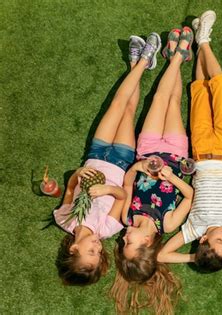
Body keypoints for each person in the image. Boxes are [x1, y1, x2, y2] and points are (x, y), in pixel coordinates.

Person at [157, 10, 222, 272]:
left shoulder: (194, 229)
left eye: (219, 241)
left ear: (203, 240)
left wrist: (195, 257)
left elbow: (162, 256)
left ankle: (200, 41)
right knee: (220, 89)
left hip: (202, 152)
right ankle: (203, 40)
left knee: (199, 91)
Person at [54, 33, 161, 285]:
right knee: (128, 112)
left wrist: (78, 173)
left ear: (73, 249)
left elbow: (70, 187)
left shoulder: (64, 219)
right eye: (99, 253)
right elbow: (124, 195)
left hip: (96, 153)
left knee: (117, 104)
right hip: (121, 161)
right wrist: (107, 189)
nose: (97, 247)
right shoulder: (107, 229)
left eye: (91, 251)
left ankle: (140, 63)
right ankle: (143, 62)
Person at [109, 28, 193, 314]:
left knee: (158, 98)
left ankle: (177, 58)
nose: (123, 238)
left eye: (122, 243)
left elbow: (128, 182)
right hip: (177, 153)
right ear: (146, 242)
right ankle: (176, 57)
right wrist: (171, 178)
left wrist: (138, 165)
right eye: (128, 243)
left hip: (146, 151)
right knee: (173, 103)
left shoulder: (126, 216)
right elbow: (190, 196)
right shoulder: (167, 225)